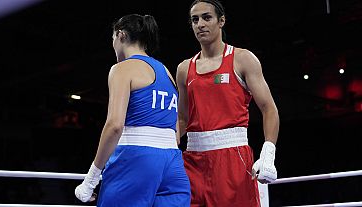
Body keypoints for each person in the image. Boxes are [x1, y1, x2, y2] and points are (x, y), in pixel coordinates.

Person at [75, 14, 191, 207]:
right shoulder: (165, 71)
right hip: (173, 164)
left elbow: (114, 126)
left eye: (112, 39)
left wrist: (91, 179)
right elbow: (176, 134)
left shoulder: (122, 69)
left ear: (120, 35)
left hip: (137, 160)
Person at [176, 0, 280, 206]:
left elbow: (269, 109)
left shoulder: (242, 59)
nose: (200, 24)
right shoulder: (184, 69)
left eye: (207, 17)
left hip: (232, 158)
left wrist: (268, 153)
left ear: (221, 21)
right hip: (193, 160)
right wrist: (163, 147)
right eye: (195, 20)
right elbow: (182, 118)